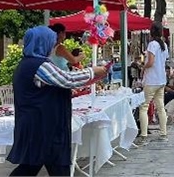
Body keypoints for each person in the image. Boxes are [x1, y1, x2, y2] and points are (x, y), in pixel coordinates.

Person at [7, 26, 107, 176]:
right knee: (47, 166)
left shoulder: (30, 63)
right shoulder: (39, 65)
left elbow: (61, 82)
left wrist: (93, 77)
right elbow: (68, 79)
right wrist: (92, 71)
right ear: (43, 43)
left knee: (32, 166)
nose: (53, 45)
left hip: (39, 124)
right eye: (51, 42)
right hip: (43, 126)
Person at [136, 22, 169, 145]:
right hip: (161, 79)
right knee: (160, 107)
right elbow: (164, 61)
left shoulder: (152, 45)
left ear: (151, 32)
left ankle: (144, 136)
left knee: (144, 107)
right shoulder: (164, 45)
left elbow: (150, 62)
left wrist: (143, 67)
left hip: (151, 80)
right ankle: (163, 133)